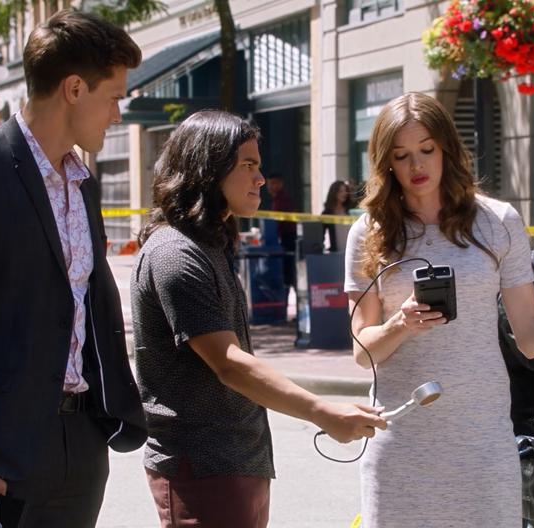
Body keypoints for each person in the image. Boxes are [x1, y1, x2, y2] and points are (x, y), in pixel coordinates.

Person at [343, 92, 534, 527]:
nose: (417, 167)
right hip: (402, 444)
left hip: (482, 444)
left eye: (427, 150)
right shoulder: (369, 232)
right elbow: (361, 351)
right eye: (402, 155)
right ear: (385, 161)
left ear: (447, 146)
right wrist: (401, 324)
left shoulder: (497, 220)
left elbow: (530, 337)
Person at [0, 10, 146, 527]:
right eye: (114, 97)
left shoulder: (81, 182)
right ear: (74, 89)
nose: (116, 113)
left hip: (80, 446)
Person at [131, 110, 387, 527]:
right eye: (248, 165)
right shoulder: (175, 253)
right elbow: (229, 363)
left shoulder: (207, 245)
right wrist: (322, 410)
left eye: (259, 166)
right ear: (207, 168)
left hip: (237, 461)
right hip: (201, 466)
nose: (261, 179)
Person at [266, 173, 298, 292]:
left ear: (281, 184)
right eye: (269, 184)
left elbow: (279, 224)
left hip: (287, 239)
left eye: (274, 184)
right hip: (282, 240)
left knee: (288, 273)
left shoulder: (283, 200)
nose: (271, 187)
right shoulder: (275, 200)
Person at [321, 179, 355, 252]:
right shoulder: (327, 213)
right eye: (341, 191)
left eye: (345, 191)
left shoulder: (351, 209)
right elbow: (320, 236)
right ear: (334, 193)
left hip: (352, 251)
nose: (344, 194)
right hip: (336, 254)